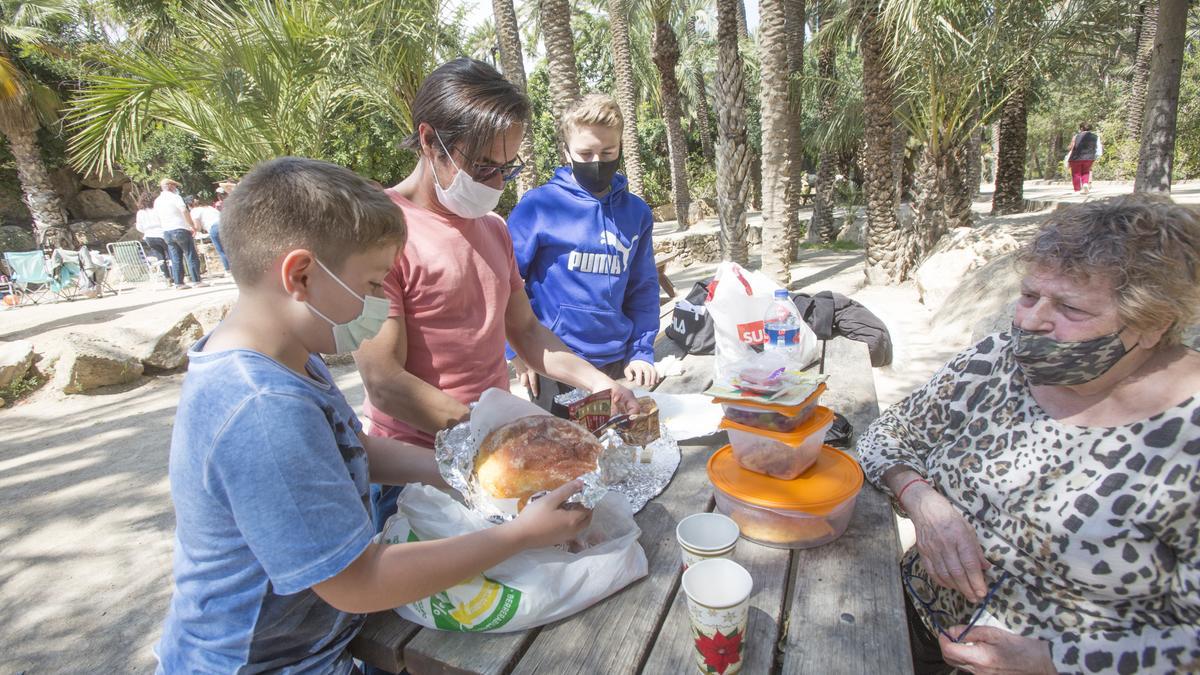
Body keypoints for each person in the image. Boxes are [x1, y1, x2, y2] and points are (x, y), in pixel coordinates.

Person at [155, 157, 592, 673]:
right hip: (265, 662)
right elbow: (357, 583)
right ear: (300, 275)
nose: (381, 302)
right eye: (370, 285)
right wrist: (520, 535)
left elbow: (345, 450)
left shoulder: (287, 356)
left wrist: (462, 472)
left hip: (318, 643)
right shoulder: (263, 406)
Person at [857, 195, 1200, 674]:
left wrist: (1053, 662)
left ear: (1151, 324)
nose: (1031, 320)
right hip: (918, 617)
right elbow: (889, 434)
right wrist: (921, 500)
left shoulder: (1187, 436)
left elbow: (1190, 641)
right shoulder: (998, 361)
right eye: (1028, 295)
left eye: (1070, 308)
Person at [354, 58, 639, 527]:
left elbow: (526, 330)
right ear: (430, 141)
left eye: (507, 168)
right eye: (483, 166)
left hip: (496, 461)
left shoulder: (494, 230)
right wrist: (498, 433)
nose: (495, 183)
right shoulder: (379, 231)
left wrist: (600, 384)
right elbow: (384, 381)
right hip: (417, 472)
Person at [505, 94, 659, 410]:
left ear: (620, 149)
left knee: (623, 452)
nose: (596, 162)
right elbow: (503, 282)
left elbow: (642, 288)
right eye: (585, 153)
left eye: (607, 152)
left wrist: (642, 351)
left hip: (618, 361)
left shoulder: (637, 213)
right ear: (566, 152)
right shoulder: (538, 207)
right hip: (552, 362)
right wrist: (515, 352)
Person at [154, 178, 206, 289]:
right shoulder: (175, 197)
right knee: (190, 254)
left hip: (167, 231)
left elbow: (157, 217)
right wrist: (191, 225)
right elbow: (184, 211)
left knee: (175, 257)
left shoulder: (157, 201)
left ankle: (179, 282)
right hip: (179, 228)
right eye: (175, 186)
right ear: (170, 186)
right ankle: (196, 280)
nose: (176, 188)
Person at [135, 193, 172, 285]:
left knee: (160, 258)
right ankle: (175, 275)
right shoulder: (157, 210)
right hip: (161, 234)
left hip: (149, 237)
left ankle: (167, 278)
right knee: (171, 255)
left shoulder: (140, 213)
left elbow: (139, 227)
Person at [189, 195, 229, 273]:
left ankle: (228, 270)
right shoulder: (209, 207)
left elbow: (198, 228)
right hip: (225, 224)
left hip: (214, 227)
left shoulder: (194, 211)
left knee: (221, 250)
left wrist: (192, 229)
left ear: (189, 205)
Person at [1065, 122, 1100, 195]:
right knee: (1086, 172)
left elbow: (1071, 147)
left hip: (1076, 157)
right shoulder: (1095, 137)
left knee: (1076, 173)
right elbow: (1098, 148)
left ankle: (1077, 190)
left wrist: (1068, 148)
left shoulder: (1076, 136)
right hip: (1089, 158)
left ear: (1081, 128)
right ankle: (1085, 184)